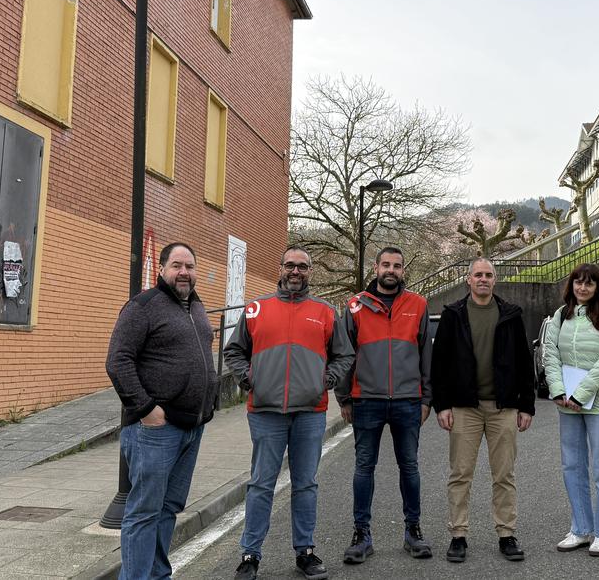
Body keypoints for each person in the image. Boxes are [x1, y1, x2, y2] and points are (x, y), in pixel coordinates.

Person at [223, 246, 355, 580]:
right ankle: (250, 555)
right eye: (290, 265)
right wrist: (248, 378)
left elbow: (344, 355)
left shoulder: (325, 312)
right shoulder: (256, 309)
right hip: (266, 412)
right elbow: (234, 350)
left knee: (306, 484)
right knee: (260, 485)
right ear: (280, 268)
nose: (296, 272)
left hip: (310, 412)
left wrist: (326, 379)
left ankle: (305, 552)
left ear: (310, 271)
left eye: (303, 267)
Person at [106, 242, 219, 580]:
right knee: (143, 512)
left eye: (190, 266)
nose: (184, 272)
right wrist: (146, 409)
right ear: (162, 269)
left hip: (191, 427)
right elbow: (118, 361)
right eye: (176, 265)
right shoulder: (142, 306)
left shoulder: (196, 307)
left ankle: (157, 575)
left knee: (168, 509)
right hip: (154, 430)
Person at [431, 257, 536, 564]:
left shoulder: (510, 314)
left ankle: (507, 535)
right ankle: (458, 536)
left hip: (503, 407)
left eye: (488, 275)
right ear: (468, 279)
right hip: (465, 408)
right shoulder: (453, 314)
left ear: (495, 280)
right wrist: (442, 405)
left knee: (504, 474)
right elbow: (440, 363)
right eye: (477, 274)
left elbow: (523, 361)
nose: (483, 279)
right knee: (460, 474)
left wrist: (526, 405)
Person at [336, 246, 434, 564]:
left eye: (397, 266)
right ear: (376, 268)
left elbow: (426, 357)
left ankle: (413, 532)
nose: (391, 270)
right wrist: (344, 397)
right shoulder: (354, 306)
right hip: (367, 401)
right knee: (364, 468)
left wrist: (426, 398)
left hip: (407, 401)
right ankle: (361, 535)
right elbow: (343, 355)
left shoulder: (418, 305)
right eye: (386, 264)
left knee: (410, 468)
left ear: (403, 270)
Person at [543, 263, 599, 557]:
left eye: (589, 283)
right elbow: (549, 354)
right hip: (567, 405)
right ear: (571, 285)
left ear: (598, 286)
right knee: (572, 467)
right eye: (578, 282)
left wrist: (582, 393)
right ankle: (580, 529)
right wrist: (559, 390)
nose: (583, 288)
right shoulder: (559, 316)